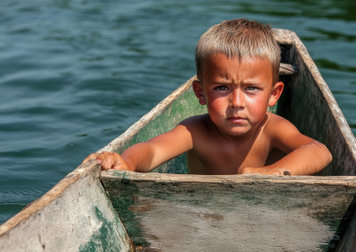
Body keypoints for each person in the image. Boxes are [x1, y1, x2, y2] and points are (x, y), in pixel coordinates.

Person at [83, 18, 332, 175]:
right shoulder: (194, 132)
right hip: (205, 218)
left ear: (273, 94)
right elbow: (151, 151)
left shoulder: (273, 129)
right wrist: (125, 162)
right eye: (222, 88)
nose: (236, 103)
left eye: (251, 89)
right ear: (200, 93)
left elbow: (319, 151)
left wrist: (271, 173)